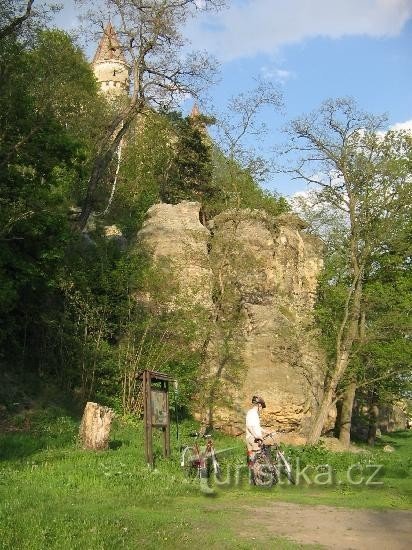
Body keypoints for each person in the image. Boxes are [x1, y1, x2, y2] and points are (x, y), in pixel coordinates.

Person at [245, 395, 267, 466]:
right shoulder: (253, 413)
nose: (262, 409)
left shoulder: (251, 413)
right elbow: (249, 426)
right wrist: (256, 436)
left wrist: (266, 431)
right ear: (259, 405)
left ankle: (252, 474)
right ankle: (257, 475)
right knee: (257, 462)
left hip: (250, 438)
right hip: (254, 439)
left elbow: (256, 427)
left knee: (252, 459)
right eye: (262, 407)